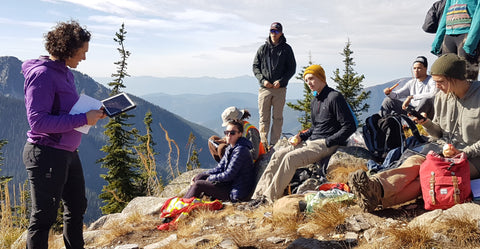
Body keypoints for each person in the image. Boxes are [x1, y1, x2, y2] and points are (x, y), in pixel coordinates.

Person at [348, 53, 480, 212]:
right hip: (442, 146)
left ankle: (379, 198)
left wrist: (462, 152)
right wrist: (427, 124)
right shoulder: (442, 97)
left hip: (472, 157)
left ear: (455, 78)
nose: (436, 86)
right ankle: (375, 187)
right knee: (414, 162)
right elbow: (438, 134)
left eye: (440, 82)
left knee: (431, 173)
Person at [21, 20, 106, 249]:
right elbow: (38, 122)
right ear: (68, 48)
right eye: (82, 52)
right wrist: (82, 119)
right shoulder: (42, 75)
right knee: (43, 218)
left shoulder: (65, 72)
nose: (84, 58)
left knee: (77, 207)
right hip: (46, 153)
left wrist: (92, 115)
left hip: (67, 152)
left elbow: (62, 110)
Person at [250, 65, 357, 204]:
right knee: (277, 155)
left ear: (321, 77)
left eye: (311, 78)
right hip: (311, 142)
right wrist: (301, 137)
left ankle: (269, 199)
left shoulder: (334, 97)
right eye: (306, 81)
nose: (309, 83)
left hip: (325, 144)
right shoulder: (315, 100)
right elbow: (315, 127)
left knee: (290, 158)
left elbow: (350, 126)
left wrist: (329, 141)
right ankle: (258, 195)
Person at [184, 120, 255, 202]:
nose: (228, 135)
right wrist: (200, 175)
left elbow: (229, 175)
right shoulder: (231, 147)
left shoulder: (241, 150)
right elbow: (219, 168)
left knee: (198, 185)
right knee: (200, 178)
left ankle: (181, 206)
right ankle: (188, 201)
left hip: (236, 192)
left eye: (232, 133)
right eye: (226, 132)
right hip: (229, 184)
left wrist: (210, 178)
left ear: (240, 134)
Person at [253, 22, 296, 148]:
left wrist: (282, 81)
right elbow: (255, 66)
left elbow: (292, 68)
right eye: (272, 31)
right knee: (264, 118)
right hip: (265, 88)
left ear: (281, 33)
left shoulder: (287, 49)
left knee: (277, 118)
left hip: (280, 89)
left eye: (276, 31)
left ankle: (274, 144)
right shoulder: (262, 49)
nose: (274, 33)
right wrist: (263, 80)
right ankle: (263, 144)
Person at [431, 0, 480, 81]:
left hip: (467, 34)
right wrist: (437, 41)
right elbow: (445, 15)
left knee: (467, 77)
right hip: (449, 35)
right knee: (446, 74)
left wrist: (471, 41)